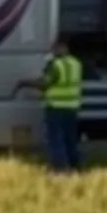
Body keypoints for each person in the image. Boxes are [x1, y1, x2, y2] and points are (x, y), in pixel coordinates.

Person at [19, 37, 85, 173]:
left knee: (56, 140)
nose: (53, 50)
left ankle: (60, 169)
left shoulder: (55, 65)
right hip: (72, 107)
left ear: (61, 47)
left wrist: (25, 83)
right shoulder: (76, 63)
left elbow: (45, 84)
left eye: (55, 47)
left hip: (56, 107)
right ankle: (75, 166)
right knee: (70, 139)